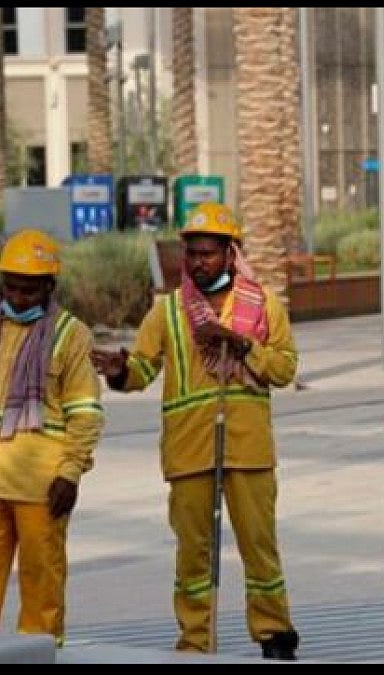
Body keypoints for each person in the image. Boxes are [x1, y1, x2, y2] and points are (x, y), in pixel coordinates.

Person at [89, 202, 300, 660]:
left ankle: (275, 634)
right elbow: (143, 368)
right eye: (193, 254)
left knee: (260, 550)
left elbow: (284, 369)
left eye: (208, 253)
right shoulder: (168, 313)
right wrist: (119, 371)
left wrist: (242, 345)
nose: (199, 262)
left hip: (247, 449)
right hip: (189, 452)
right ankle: (194, 643)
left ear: (230, 253)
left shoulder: (263, 306)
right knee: (192, 558)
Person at [0, 229, 103, 647]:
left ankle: (41, 656)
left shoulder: (71, 334)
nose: (17, 297)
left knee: (41, 587)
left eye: (29, 290)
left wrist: (71, 473)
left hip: (42, 487)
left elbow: (84, 412)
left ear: (50, 286)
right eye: (10, 286)